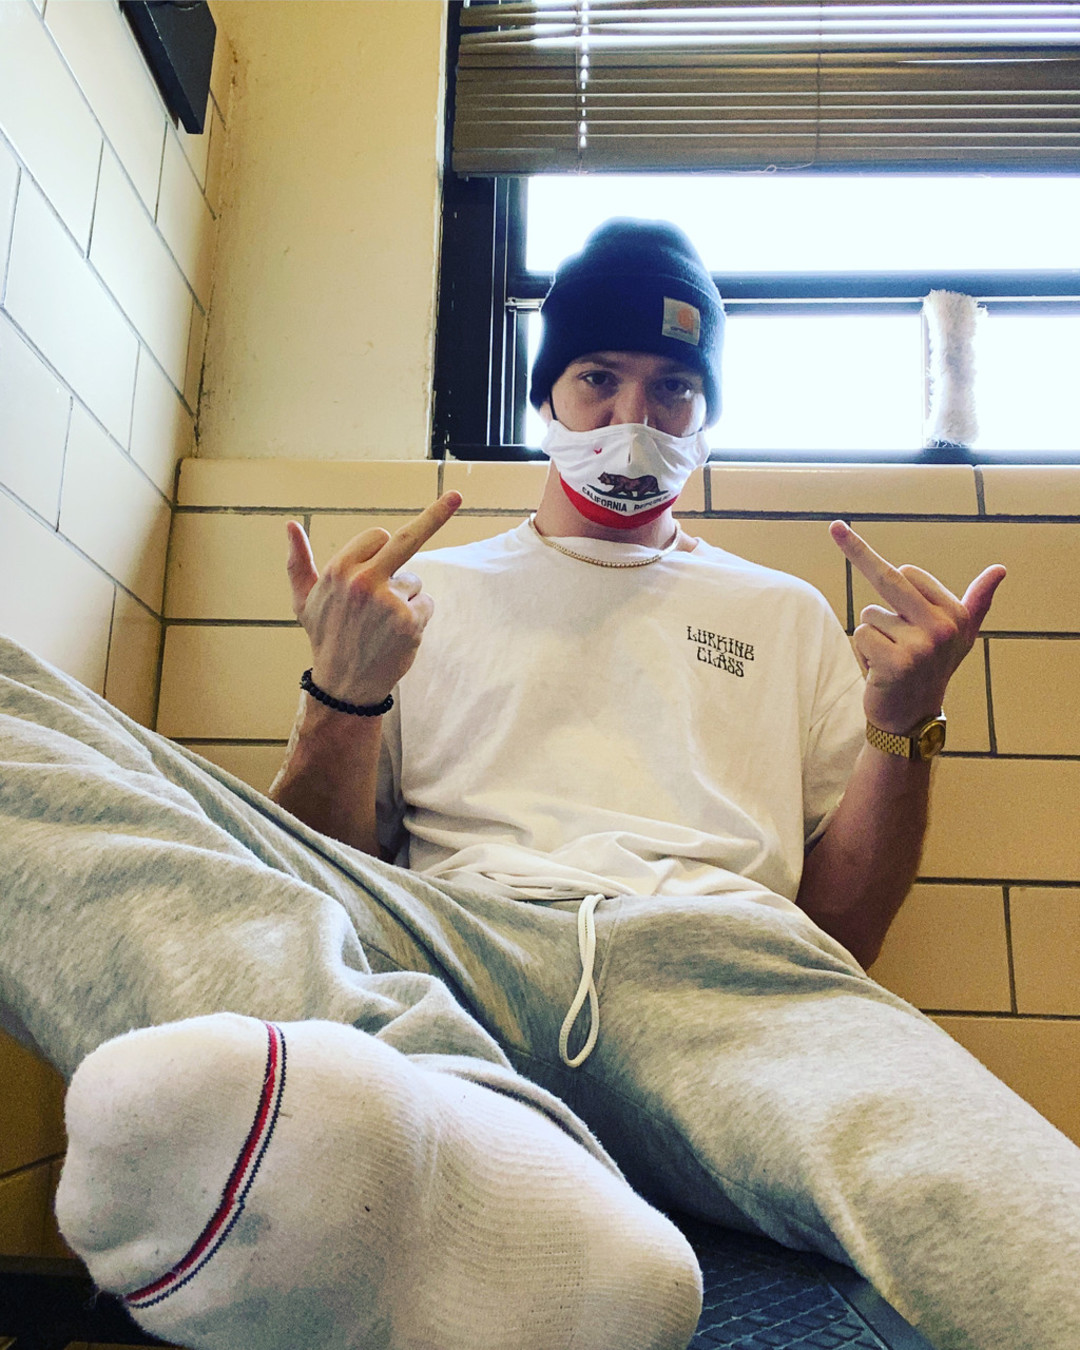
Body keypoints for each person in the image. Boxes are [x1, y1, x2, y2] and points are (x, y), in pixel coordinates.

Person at [1, 220, 1078, 1350]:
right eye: (598, 379)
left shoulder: (785, 614)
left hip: (730, 981)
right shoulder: (422, 598)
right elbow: (322, 873)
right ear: (545, 396)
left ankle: (472, 1174)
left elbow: (846, 931)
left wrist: (903, 729)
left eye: (672, 390)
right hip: (444, 958)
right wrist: (342, 693)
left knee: (1016, 1213)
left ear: (706, 415)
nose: (632, 420)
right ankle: (470, 1142)